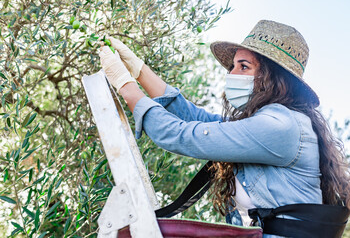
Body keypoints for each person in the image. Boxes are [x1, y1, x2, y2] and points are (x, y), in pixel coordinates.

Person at [99, 20, 350, 236]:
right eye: (233, 66)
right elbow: (197, 119)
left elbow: (185, 136)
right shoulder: (271, 122)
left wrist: (125, 86)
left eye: (243, 66)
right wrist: (139, 70)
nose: (232, 74)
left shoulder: (280, 126)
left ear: (273, 78)